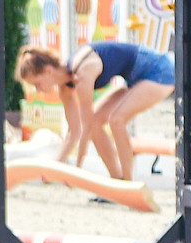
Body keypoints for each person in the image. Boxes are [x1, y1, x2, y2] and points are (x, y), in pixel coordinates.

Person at [17, 41, 177, 183]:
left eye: (37, 83)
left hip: (159, 71)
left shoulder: (81, 73)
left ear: (48, 70)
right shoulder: (64, 89)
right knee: (96, 123)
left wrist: (77, 168)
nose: (38, 90)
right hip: (135, 78)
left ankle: (127, 182)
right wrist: (55, 170)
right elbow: (73, 131)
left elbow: (85, 127)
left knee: (116, 120)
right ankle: (116, 178)